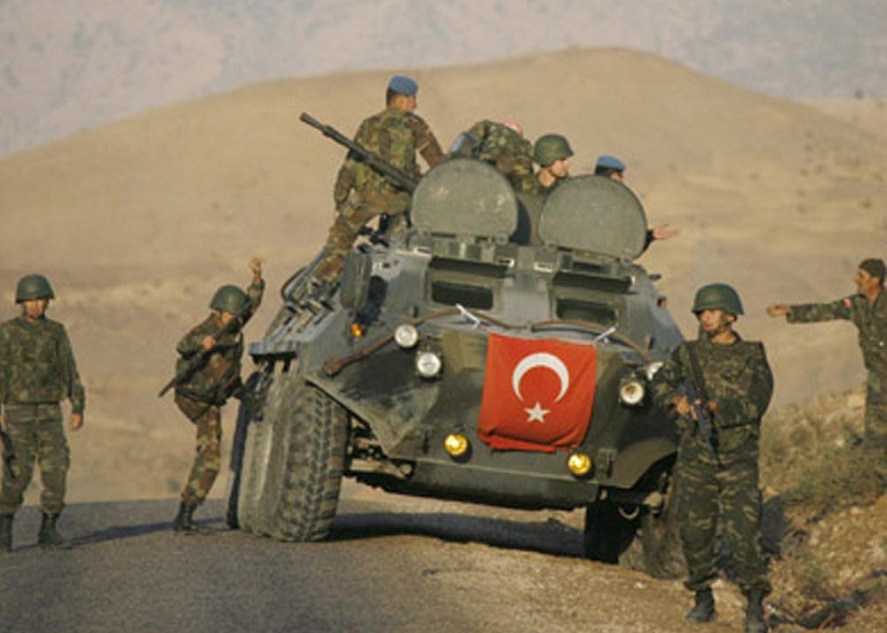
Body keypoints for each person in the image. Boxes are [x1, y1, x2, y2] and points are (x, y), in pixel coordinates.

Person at [651, 283, 773, 633]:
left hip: (737, 460)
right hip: (696, 458)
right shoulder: (688, 354)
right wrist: (677, 402)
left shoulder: (751, 355)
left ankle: (754, 605)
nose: (705, 317)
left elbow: (758, 401)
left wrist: (719, 408)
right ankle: (702, 597)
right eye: (702, 312)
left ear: (731, 316)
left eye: (712, 312)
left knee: (745, 534)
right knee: (695, 532)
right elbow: (660, 383)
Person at [312, 75, 445, 287]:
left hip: (367, 198)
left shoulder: (369, 125)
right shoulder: (415, 125)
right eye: (412, 99)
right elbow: (437, 163)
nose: (415, 105)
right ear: (401, 100)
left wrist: (340, 202)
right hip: (402, 200)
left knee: (338, 243)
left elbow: (349, 167)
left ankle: (321, 285)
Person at [172, 257, 264, 532]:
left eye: (237, 316)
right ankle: (185, 514)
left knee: (211, 454)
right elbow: (183, 344)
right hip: (196, 400)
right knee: (210, 459)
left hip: (215, 394)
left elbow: (251, 305)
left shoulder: (232, 325)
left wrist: (257, 279)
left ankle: (185, 515)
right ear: (220, 311)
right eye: (231, 315)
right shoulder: (208, 329)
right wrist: (202, 343)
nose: (236, 319)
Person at [0, 274, 86, 552]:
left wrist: (77, 406)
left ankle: (49, 528)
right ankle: (4, 526)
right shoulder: (7, 332)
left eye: (41, 300)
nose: (36, 305)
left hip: (49, 412)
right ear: (21, 303)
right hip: (17, 412)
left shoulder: (55, 332)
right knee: (18, 474)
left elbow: (68, 369)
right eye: (30, 300)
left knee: (56, 471)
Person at [767, 258, 886, 454]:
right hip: (877, 380)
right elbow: (826, 310)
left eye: (861, 276)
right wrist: (791, 310)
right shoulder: (857, 304)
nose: (856, 280)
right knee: (875, 440)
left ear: (875, 280)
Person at [594, 154, 679, 248]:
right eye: (620, 175)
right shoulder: (613, 205)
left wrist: (650, 236)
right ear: (613, 176)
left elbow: (626, 242)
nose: (622, 180)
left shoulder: (584, 195)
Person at [449, 119, 533, 189]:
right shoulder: (525, 145)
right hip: (503, 182)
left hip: (479, 170)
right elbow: (526, 175)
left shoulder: (488, 126)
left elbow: (464, 144)